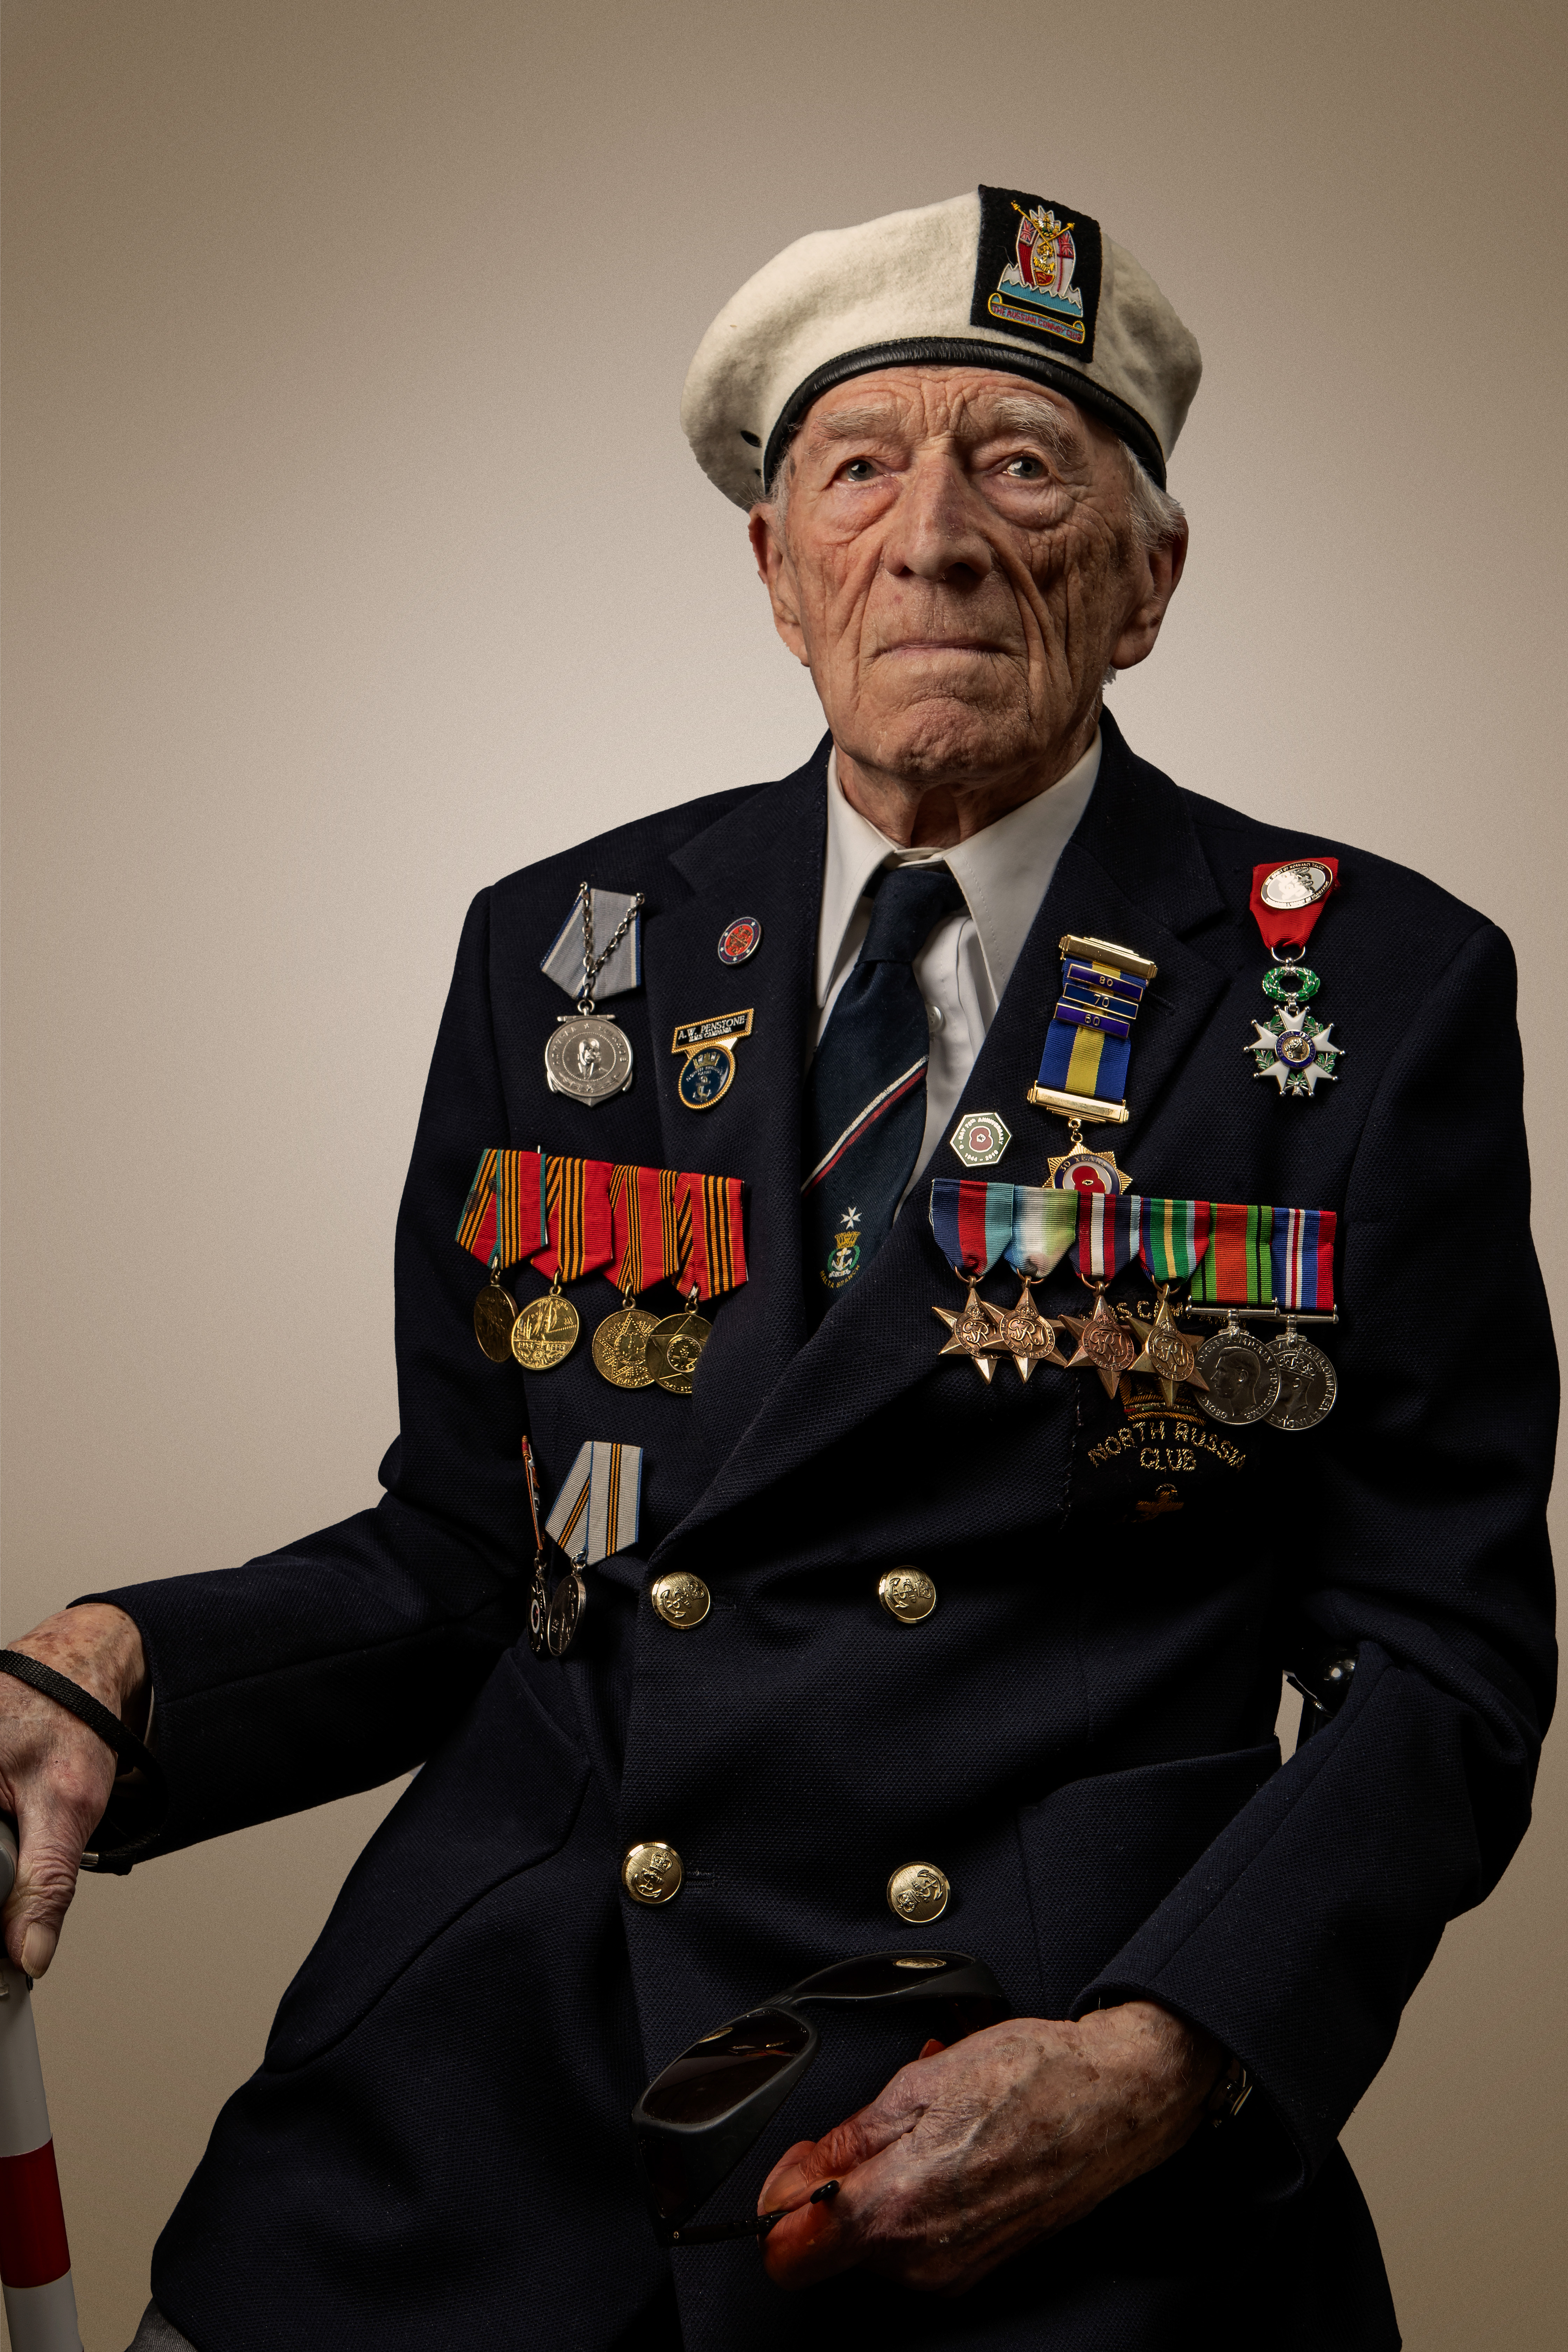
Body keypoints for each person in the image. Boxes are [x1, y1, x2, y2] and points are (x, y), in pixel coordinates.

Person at [0, 184, 1556, 2352]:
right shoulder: (564, 950)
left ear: (1151, 580)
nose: (931, 538)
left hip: (1016, 2110)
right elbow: (472, 1552)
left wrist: (1163, 2051)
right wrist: (116, 1672)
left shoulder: (1370, 991)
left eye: (1022, 464)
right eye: (858, 473)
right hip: (503, 2098)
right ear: (776, 572)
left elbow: (1442, 1669)